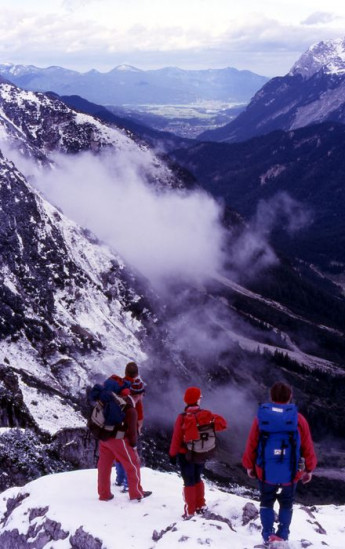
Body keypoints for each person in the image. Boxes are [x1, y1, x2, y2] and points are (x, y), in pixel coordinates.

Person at [242, 382, 317, 546]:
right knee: (287, 502)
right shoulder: (298, 419)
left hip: (265, 472)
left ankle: (268, 534)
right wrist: (309, 469)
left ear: (271, 397)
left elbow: (252, 444)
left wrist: (249, 466)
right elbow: (307, 446)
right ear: (290, 397)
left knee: (266, 501)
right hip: (290, 474)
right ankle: (282, 534)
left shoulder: (261, 418)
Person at [169, 386, 227, 519]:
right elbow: (223, 424)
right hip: (201, 454)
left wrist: (172, 454)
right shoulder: (206, 415)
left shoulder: (182, 417)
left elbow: (176, 438)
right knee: (197, 477)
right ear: (197, 400)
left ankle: (190, 511)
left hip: (186, 455)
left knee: (188, 481)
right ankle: (201, 504)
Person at [97, 374, 151, 502]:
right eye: (143, 394)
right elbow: (132, 434)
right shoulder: (131, 410)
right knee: (133, 465)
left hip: (104, 436)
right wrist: (134, 448)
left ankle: (104, 494)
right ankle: (136, 493)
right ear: (139, 395)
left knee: (104, 466)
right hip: (117, 439)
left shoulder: (117, 399)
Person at [114, 362, 146, 490]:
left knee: (119, 452)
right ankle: (128, 484)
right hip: (129, 426)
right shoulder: (136, 388)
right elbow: (139, 414)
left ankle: (119, 479)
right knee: (130, 453)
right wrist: (138, 429)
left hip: (117, 425)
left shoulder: (120, 385)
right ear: (137, 373)